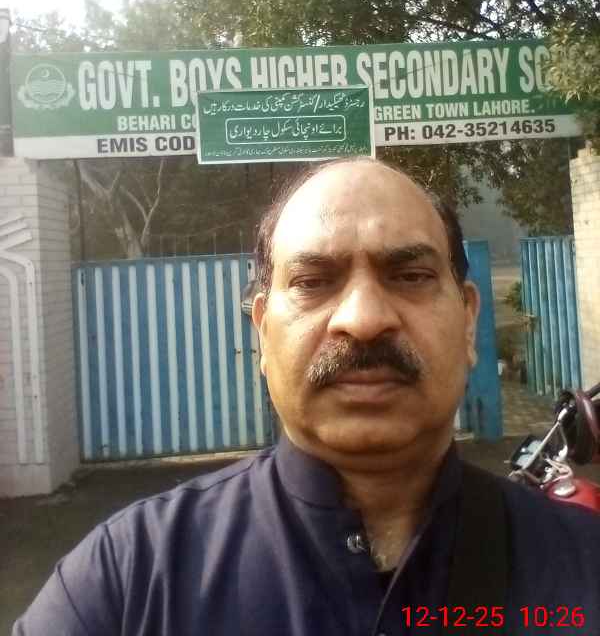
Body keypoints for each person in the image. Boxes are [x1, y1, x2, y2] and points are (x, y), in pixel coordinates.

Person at [13, 157, 600, 635]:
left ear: (468, 322)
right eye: (313, 281)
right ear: (262, 332)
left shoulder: (583, 565)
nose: (363, 320)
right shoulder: (126, 582)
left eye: (410, 276)